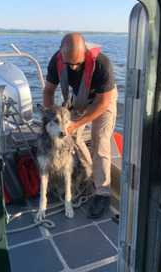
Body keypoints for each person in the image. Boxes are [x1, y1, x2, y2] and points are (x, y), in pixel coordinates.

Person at [43, 32, 118, 218]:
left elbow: (102, 103)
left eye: (79, 63)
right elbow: (48, 91)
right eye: (70, 64)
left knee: (100, 140)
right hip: (80, 98)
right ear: (62, 55)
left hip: (103, 100)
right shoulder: (56, 61)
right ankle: (90, 171)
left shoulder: (102, 64)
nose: (74, 67)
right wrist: (49, 116)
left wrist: (76, 123)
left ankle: (102, 193)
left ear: (85, 52)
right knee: (72, 138)